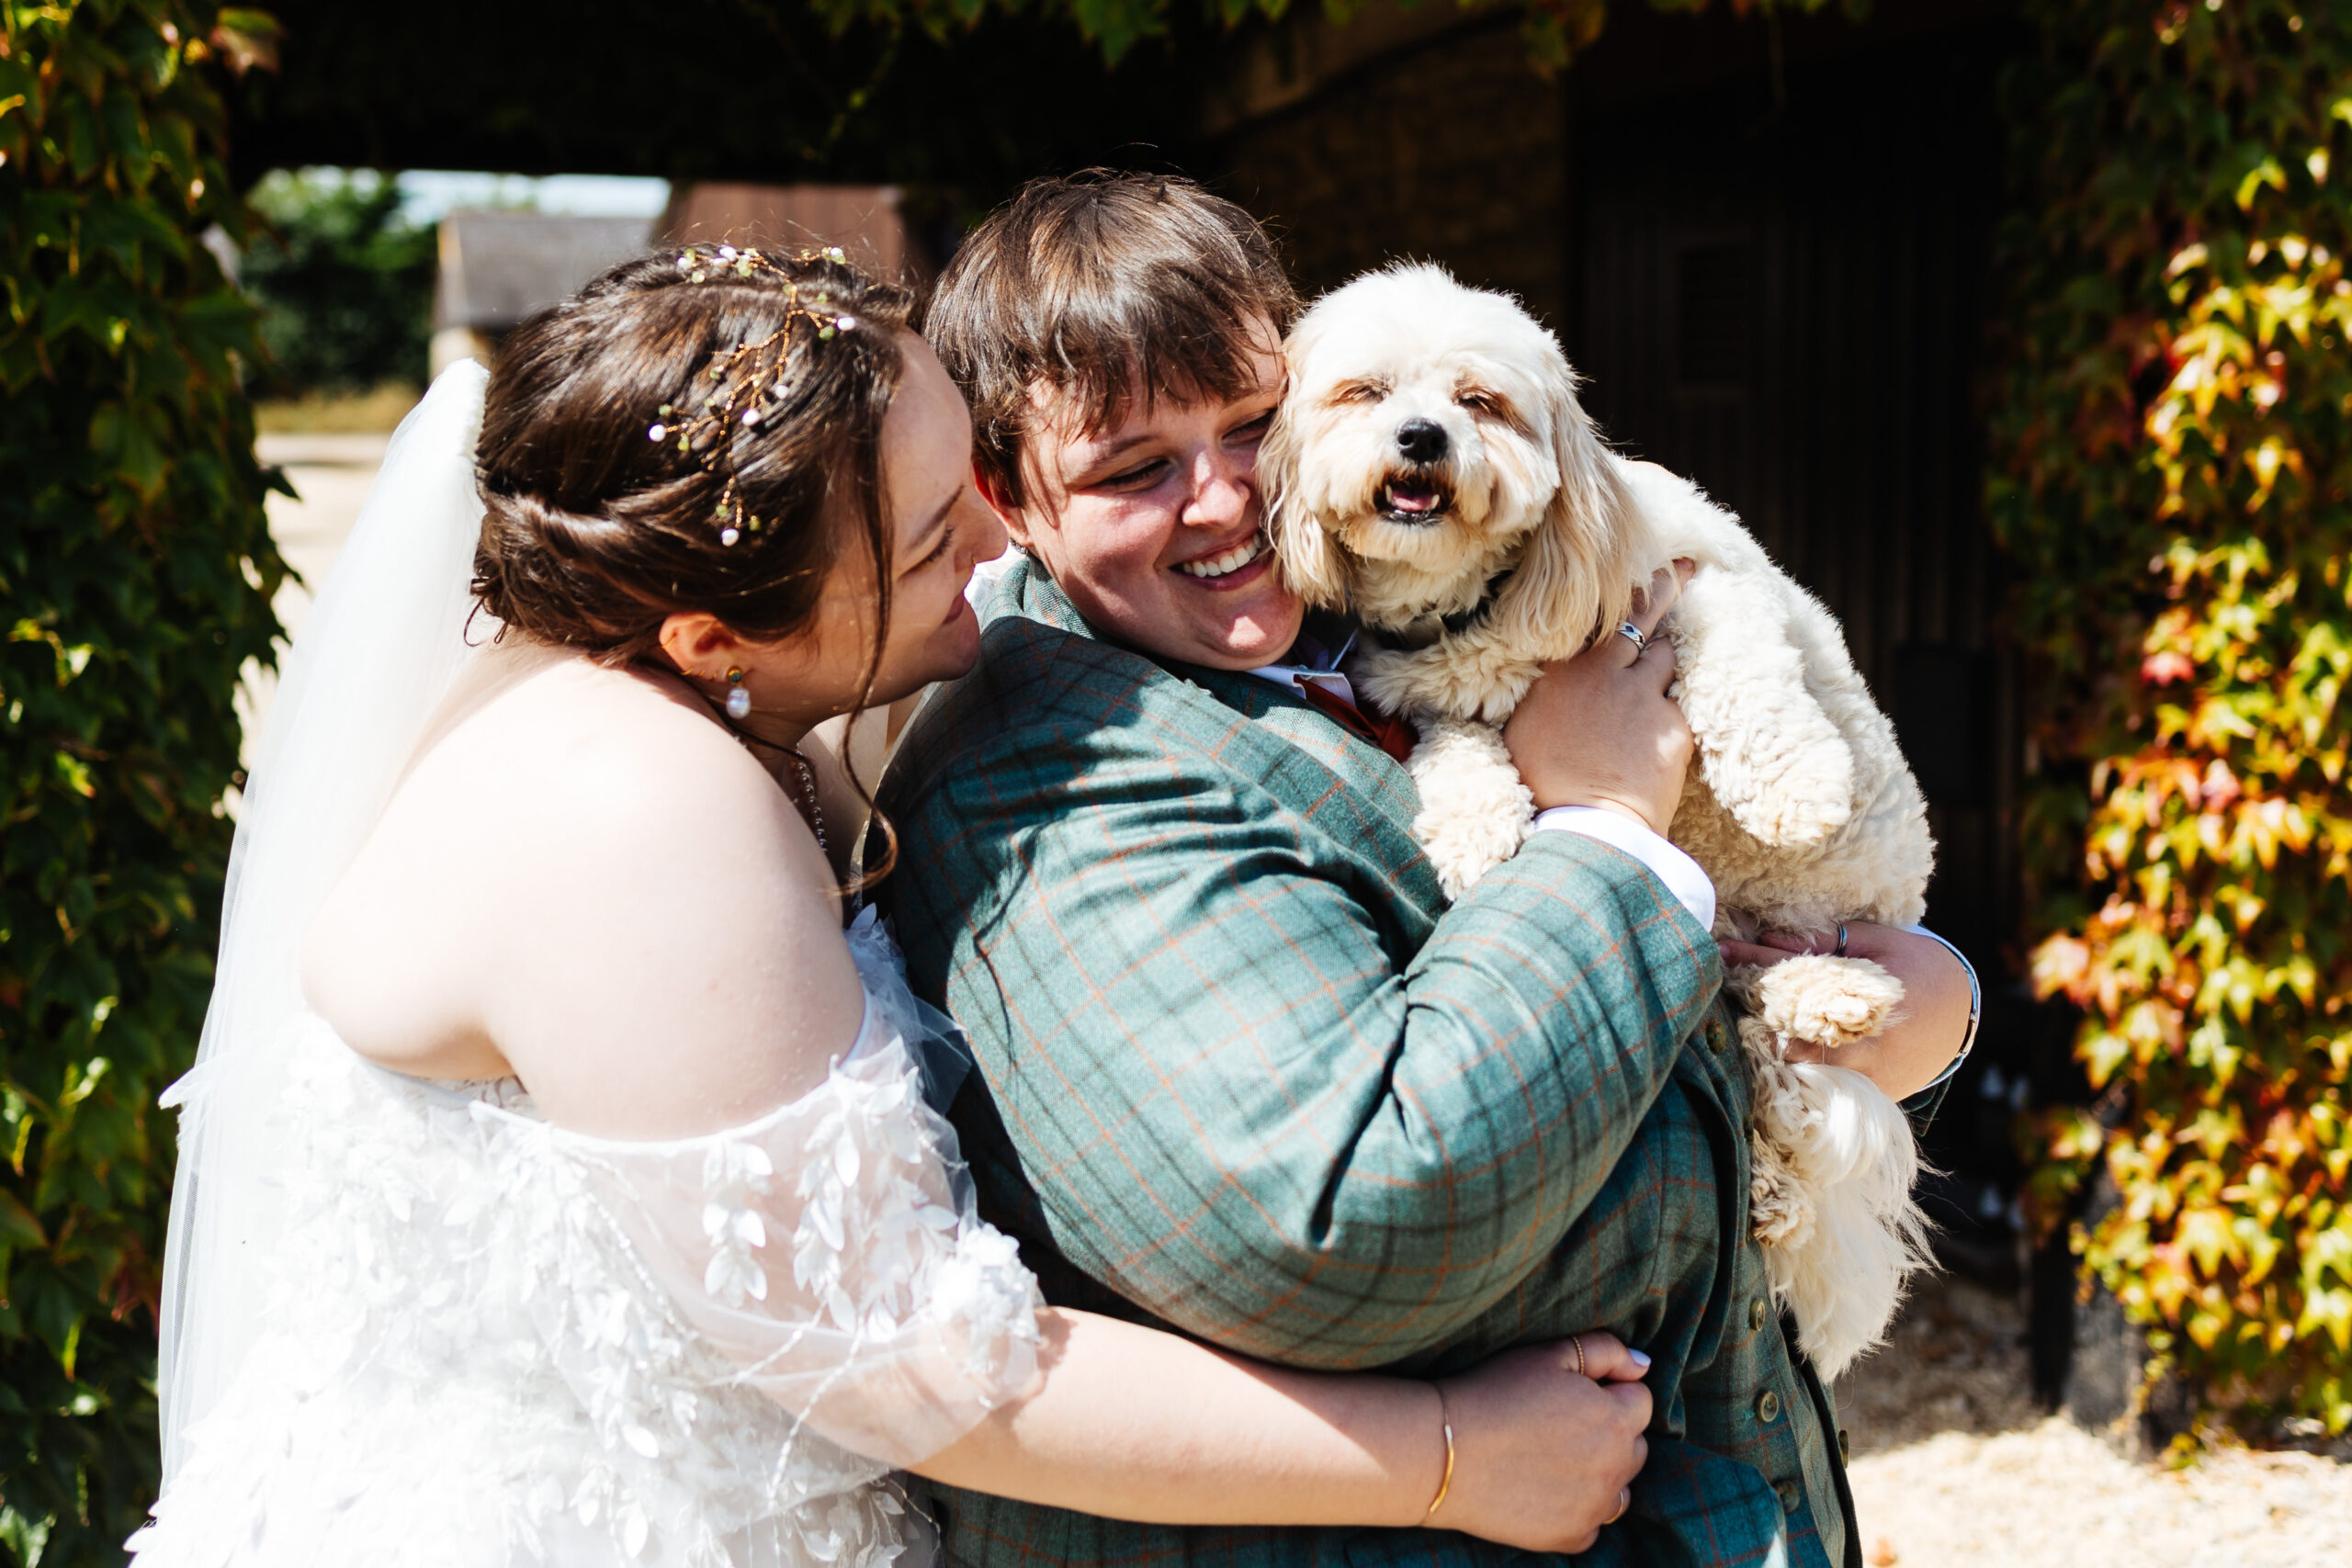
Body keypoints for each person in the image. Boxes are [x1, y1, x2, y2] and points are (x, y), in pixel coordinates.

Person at [132, 248, 1668, 1568]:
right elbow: (913, 1364)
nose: (999, 550)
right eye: (938, 536)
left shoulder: (680, 686)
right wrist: (1452, 1456)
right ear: (712, 629)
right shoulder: (637, 811)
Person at [883, 172, 1978, 1568]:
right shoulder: (1056, 781)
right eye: (1133, 471)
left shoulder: (1359, 625)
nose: (1224, 502)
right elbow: (1339, 1221)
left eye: (1251, 427)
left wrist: (1927, 993)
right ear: (1008, 497)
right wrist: (1607, 830)